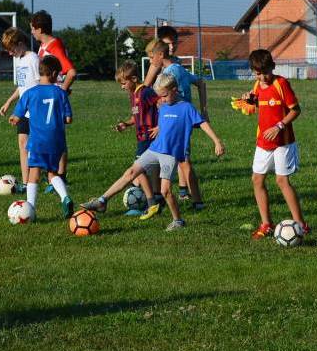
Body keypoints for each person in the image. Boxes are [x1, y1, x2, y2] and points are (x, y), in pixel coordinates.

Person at [81, 74, 224, 231]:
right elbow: (166, 123)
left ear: (174, 90)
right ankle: (102, 201)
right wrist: (158, 128)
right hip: (154, 149)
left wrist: (216, 141)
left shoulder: (186, 108)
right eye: (159, 96)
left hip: (170, 154)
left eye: (164, 95)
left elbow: (202, 124)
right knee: (130, 172)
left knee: (165, 191)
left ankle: (178, 221)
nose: (161, 99)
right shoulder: (163, 106)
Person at [233, 49, 308, 240]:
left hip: (283, 142)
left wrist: (279, 126)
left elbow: (295, 110)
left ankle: (300, 224)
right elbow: (260, 104)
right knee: (257, 180)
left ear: (273, 67)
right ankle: (266, 224)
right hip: (263, 142)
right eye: (258, 73)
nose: (263, 77)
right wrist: (249, 102)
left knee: (282, 181)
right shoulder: (257, 85)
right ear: (253, 72)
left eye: (265, 72)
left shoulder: (281, 83)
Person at [145, 39, 208, 208]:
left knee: (184, 161)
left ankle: (196, 201)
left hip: (177, 122)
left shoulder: (170, 74)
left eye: (151, 58)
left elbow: (170, 102)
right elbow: (201, 83)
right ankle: (182, 194)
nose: (151, 62)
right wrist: (204, 110)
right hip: (182, 120)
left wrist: (161, 125)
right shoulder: (180, 69)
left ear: (160, 55)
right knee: (182, 160)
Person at [7, 55, 74, 217]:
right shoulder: (60, 93)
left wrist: (13, 119)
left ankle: (29, 209)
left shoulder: (30, 93)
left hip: (38, 140)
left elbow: (17, 116)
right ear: (53, 74)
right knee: (52, 173)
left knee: (34, 173)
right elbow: (68, 119)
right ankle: (65, 197)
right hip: (57, 140)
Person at [29, 10, 77, 185]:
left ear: (39, 28)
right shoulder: (44, 47)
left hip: (52, 99)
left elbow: (71, 71)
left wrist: (62, 91)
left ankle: (60, 176)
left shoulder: (54, 46)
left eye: (33, 29)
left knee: (57, 136)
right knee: (51, 135)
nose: (32, 33)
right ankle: (52, 174)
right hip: (46, 97)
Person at [113, 60, 160, 212]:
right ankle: (154, 199)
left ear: (133, 79)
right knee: (142, 172)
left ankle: (152, 203)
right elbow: (136, 117)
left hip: (149, 138)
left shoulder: (146, 92)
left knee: (138, 172)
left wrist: (160, 126)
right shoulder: (133, 95)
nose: (122, 87)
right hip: (141, 138)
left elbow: (163, 104)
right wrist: (126, 124)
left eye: (123, 83)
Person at [0, 28, 40, 191]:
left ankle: (51, 179)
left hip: (36, 111)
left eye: (11, 49)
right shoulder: (19, 60)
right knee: (22, 144)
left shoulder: (33, 59)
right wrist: (9, 101)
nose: (10, 53)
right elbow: (22, 87)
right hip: (23, 110)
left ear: (21, 44)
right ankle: (25, 182)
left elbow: (40, 83)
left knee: (37, 147)